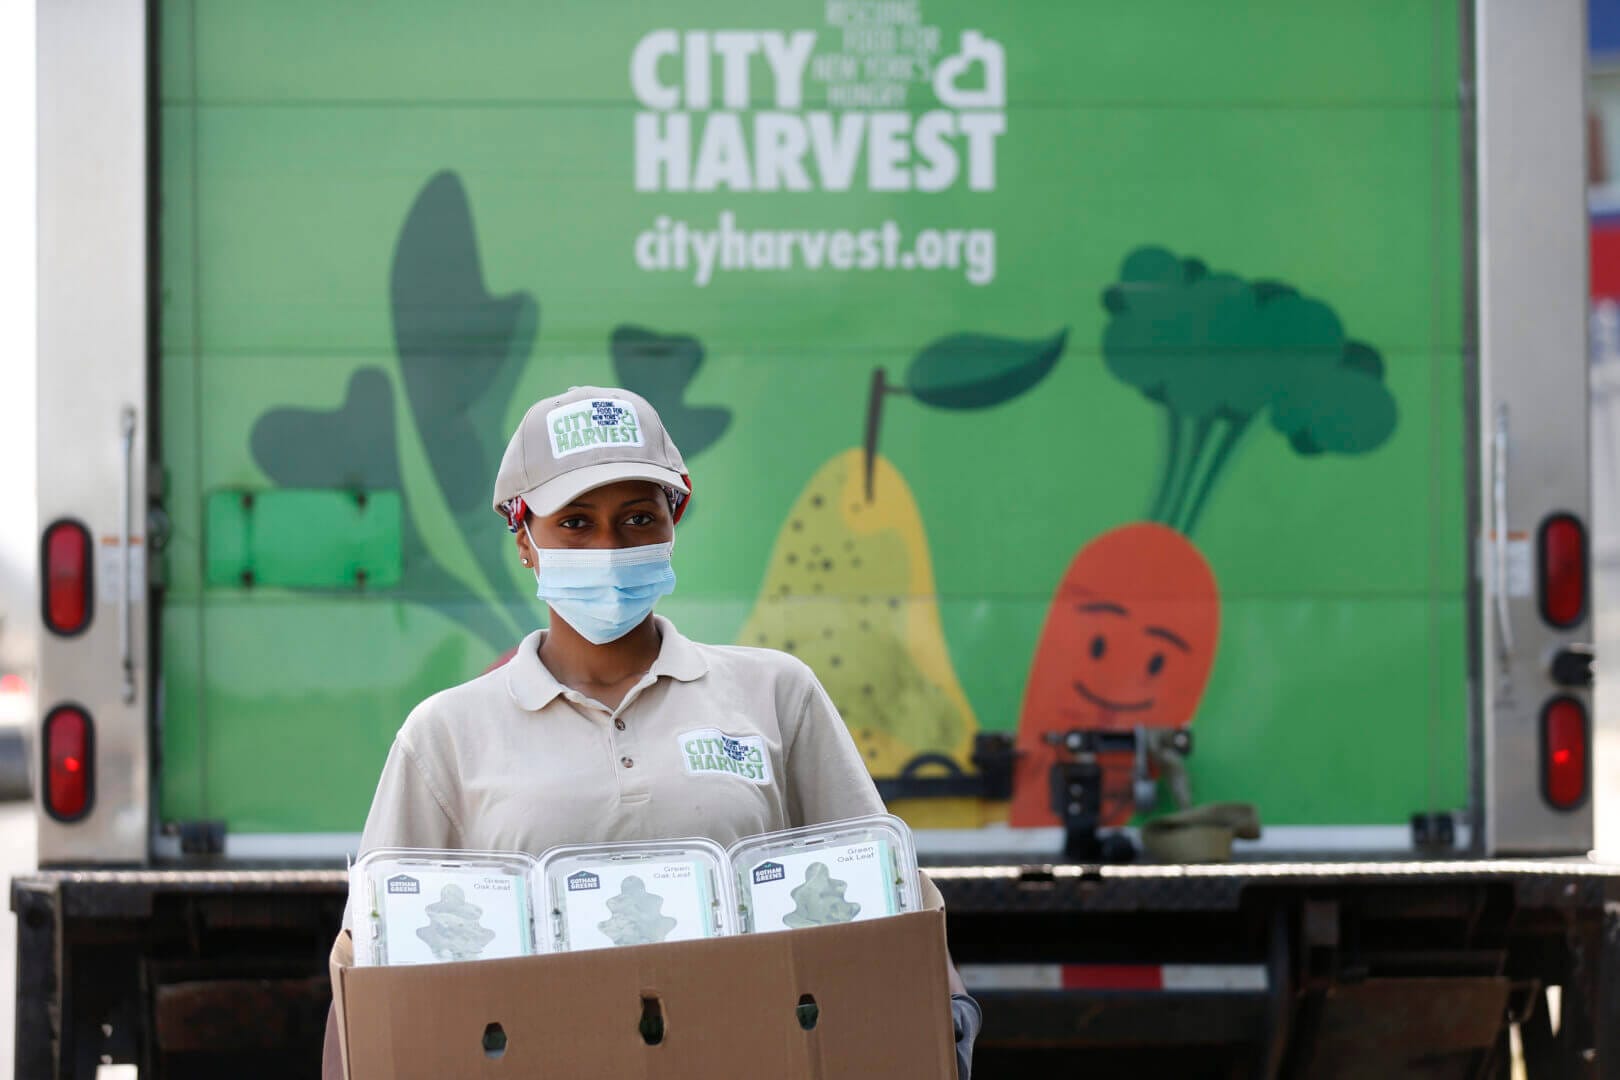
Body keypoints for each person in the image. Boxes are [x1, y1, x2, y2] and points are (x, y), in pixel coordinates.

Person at [322, 386, 980, 1077]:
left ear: (673, 521)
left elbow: (885, 897)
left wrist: (948, 1023)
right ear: (524, 539)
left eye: (638, 517)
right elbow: (369, 966)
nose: (609, 546)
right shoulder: (447, 735)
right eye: (576, 523)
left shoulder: (775, 693)